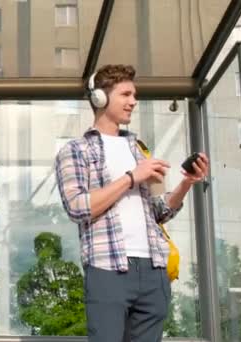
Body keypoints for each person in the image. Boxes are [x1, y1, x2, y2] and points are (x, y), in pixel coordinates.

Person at [55, 64, 209, 341]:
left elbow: (160, 212)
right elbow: (77, 207)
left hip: (153, 270)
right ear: (100, 98)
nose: (133, 102)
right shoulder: (76, 150)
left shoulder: (140, 150)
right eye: (125, 94)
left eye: (134, 95)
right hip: (107, 269)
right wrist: (131, 177)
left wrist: (186, 183)